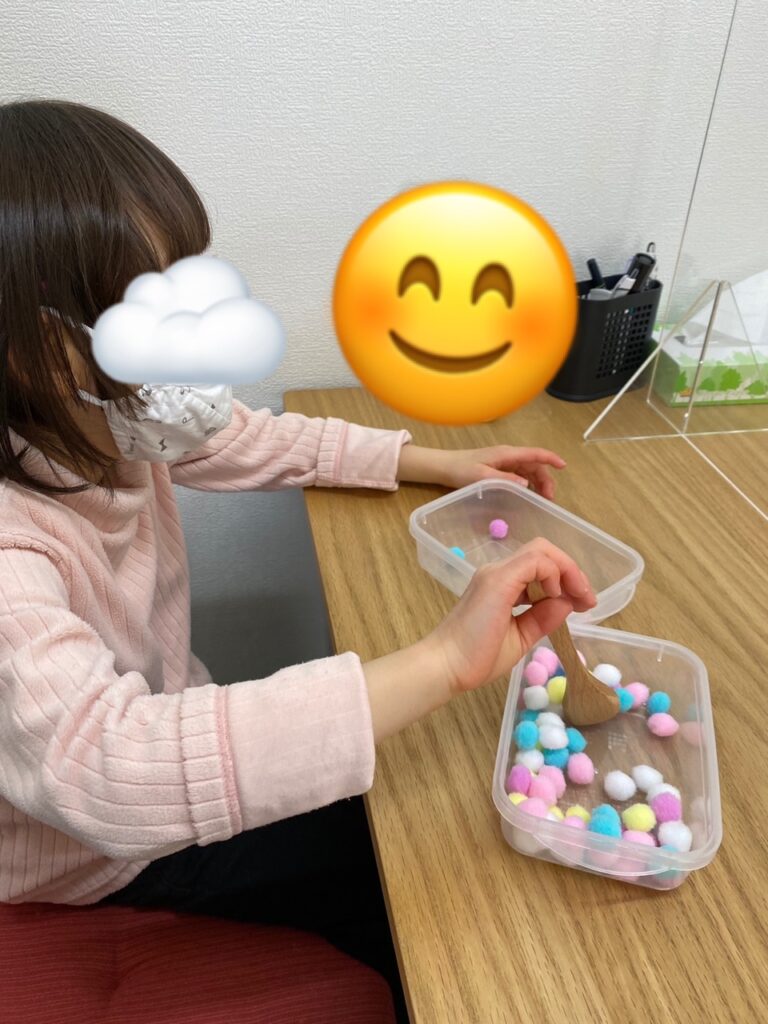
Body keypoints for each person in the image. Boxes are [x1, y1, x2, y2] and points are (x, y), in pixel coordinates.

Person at [0, 98, 595, 1009]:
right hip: (96, 857)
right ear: (47, 353)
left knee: (413, 800)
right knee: (413, 865)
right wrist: (444, 658)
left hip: (161, 744)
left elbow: (247, 439)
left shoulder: (100, 424)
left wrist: (432, 461)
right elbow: (109, 771)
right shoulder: (13, 550)